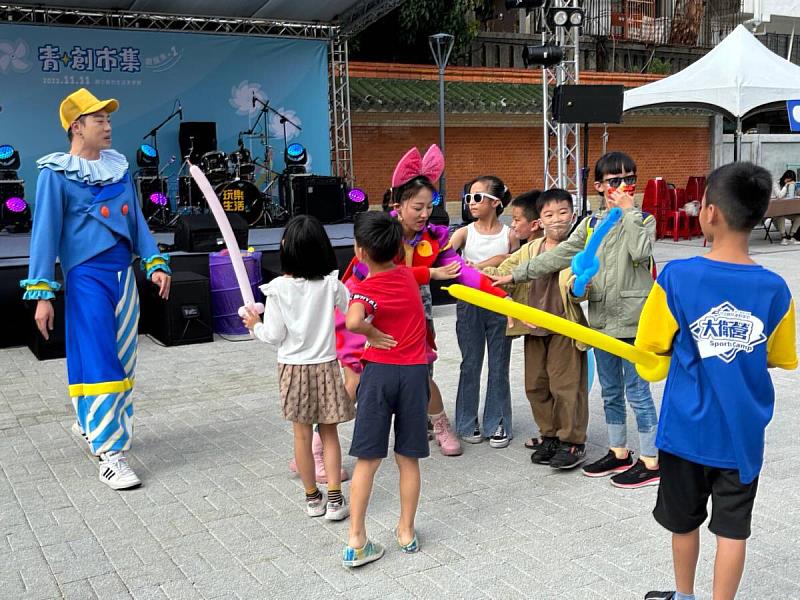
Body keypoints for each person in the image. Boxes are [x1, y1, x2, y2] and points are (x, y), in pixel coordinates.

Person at [637, 162, 797, 600]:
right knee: (732, 531)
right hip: (742, 435)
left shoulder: (676, 278)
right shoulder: (776, 289)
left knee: (684, 523)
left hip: (686, 431)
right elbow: (782, 356)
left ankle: (684, 595)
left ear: (709, 213)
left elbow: (650, 351)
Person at [22, 88, 172, 490]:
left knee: (122, 360)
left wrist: (154, 262)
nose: (108, 127)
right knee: (101, 358)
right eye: (99, 120)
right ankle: (110, 452)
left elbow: (137, 221)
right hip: (86, 277)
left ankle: (91, 422)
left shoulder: (119, 169)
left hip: (123, 277)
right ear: (76, 127)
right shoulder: (55, 174)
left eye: (108, 119)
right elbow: (45, 235)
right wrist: (42, 294)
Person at [491, 151, 661, 488]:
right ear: (598, 186)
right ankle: (619, 451)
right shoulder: (590, 224)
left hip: (633, 320)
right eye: (614, 181)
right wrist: (518, 274)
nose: (623, 187)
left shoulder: (642, 219)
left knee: (638, 393)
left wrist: (627, 212)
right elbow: (558, 256)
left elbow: (641, 254)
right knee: (611, 391)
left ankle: (651, 459)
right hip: (601, 321)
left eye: (630, 179)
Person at [337, 145, 507, 458]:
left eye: (430, 206)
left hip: (413, 317)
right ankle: (321, 444)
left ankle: (439, 425)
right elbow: (377, 277)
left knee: (422, 372)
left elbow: (464, 273)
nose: (425, 214)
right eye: (418, 207)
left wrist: (504, 299)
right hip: (365, 318)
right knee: (356, 382)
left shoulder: (433, 236)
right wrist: (429, 273)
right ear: (397, 205)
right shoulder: (378, 233)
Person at [242, 215, 353, 520]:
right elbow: (355, 312)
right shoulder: (331, 285)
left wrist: (255, 325)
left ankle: (312, 499)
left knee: (302, 437)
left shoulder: (278, 288)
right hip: (327, 368)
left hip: (293, 369)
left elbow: (274, 336)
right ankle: (335, 500)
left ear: (285, 248)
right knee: (329, 434)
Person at [342, 211, 430, 567]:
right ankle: (406, 531)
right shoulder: (408, 279)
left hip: (378, 375)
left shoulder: (363, 289)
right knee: (408, 458)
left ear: (359, 252)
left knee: (367, 460)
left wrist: (370, 334)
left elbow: (352, 321)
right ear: (397, 248)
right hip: (412, 376)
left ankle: (356, 540)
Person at [486, 189, 590, 468]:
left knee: (565, 387)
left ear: (573, 214)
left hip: (565, 329)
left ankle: (572, 442)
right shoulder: (531, 249)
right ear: (540, 221)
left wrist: (581, 288)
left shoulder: (579, 248)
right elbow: (503, 273)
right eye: (549, 214)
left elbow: (587, 288)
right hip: (534, 329)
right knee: (536, 386)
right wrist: (473, 272)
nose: (557, 220)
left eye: (563, 213)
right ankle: (550, 435)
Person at [449, 176, 517, 447]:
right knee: (470, 363)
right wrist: (460, 264)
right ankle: (466, 422)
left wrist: (483, 265)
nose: (471, 203)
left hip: (500, 304)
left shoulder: (509, 234)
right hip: (469, 304)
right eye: (469, 198)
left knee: (499, 364)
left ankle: (498, 422)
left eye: (478, 197)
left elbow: (513, 263)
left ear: (495, 202)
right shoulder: (465, 232)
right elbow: (443, 254)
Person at [772, 169, 799, 245]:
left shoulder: (791, 185)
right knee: (781, 215)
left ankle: (791, 237)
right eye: (787, 180)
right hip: (775, 210)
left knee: (799, 217)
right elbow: (779, 195)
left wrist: (796, 188)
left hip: (787, 209)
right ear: (784, 177)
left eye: (790, 181)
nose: (788, 181)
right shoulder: (776, 183)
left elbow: (794, 196)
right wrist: (786, 186)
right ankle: (783, 237)